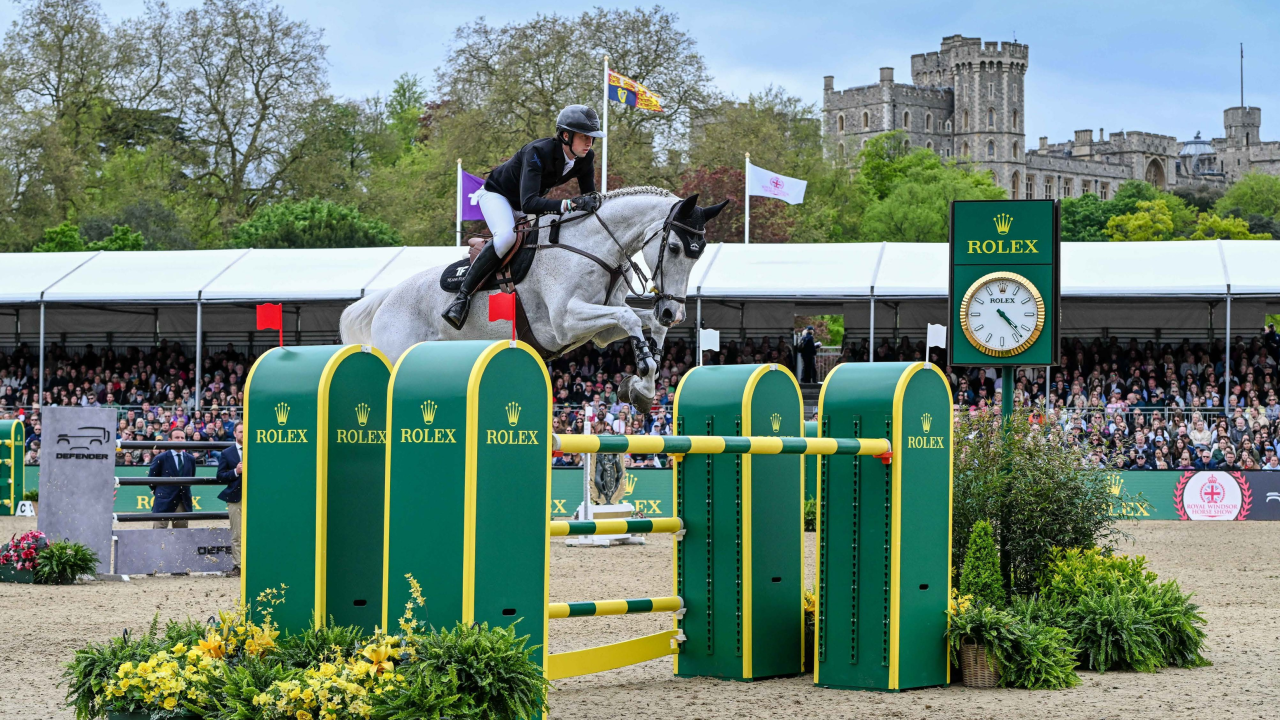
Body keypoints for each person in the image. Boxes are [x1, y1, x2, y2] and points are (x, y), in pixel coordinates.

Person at [442, 104, 604, 330]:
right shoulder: (537, 152)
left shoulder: (586, 157)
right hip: (497, 196)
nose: (589, 143)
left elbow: (589, 197)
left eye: (592, 138)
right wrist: (569, 204)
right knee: (506, 237)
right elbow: (529, 203)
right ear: (566, 136)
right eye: (584, 137)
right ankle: (462, 298)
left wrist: (593, 203)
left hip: (525, 203)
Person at [148, 429, 194, 530]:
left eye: (182, 438)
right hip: (164, 500)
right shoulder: (161, 458)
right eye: (177, 437)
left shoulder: (190, 459)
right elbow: (151, 480)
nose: (180, 440)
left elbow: (191, 478)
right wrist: (162, 492)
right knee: (159, 532)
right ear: (169, 440)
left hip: (183, 500)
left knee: (181, 533)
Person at [216, 422, 244, 578]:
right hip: (235, 498)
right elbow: (220, 476)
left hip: (256, 498)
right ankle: (238, 566)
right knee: (237, 533)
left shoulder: (258, 450)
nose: (243, 434)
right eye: (240, 432)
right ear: (234, 433)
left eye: (246, 432)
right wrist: (235, 471)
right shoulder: (227, 453)